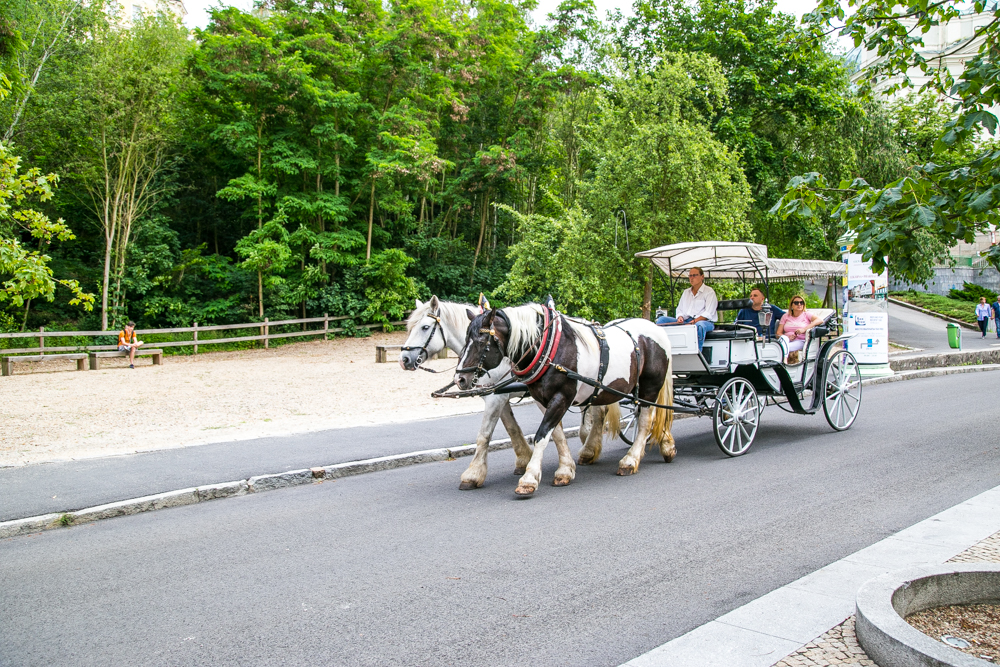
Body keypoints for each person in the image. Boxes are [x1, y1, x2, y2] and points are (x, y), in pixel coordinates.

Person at [656, 267, 717, 350]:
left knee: (699, 326)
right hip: (686, 321)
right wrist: (680, 317)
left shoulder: (709, 292)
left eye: (694, 275)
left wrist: (693, 322)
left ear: (702, 277)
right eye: (690, 276)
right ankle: (663, 350)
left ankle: (697, 353)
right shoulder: (686, 292)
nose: (692, 278)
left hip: (704, 322)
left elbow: (708, 313)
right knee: (662, 320)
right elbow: (679, 309)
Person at [776, 295, 824, 364]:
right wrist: (788, 337)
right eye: (796, 303)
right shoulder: (786, 316)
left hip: (800, 340)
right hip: (786, 340)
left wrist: (804, 329)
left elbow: (820, 320)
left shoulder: (806, 314)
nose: (799, 304)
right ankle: (785, 360)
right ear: (791, 305)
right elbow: (778, 333)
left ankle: (784, 362)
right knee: (783, 338)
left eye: (801, 303)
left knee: (781, 348)